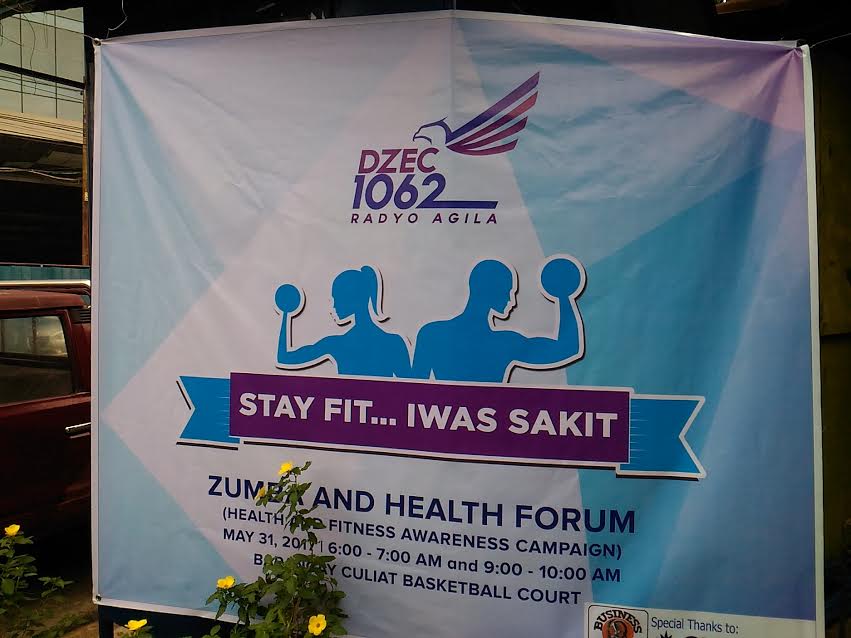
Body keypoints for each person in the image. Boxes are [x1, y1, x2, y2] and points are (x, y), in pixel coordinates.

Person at [411, 257, 585, 383]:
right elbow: (566, 349)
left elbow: (412, 386)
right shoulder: (503, 342)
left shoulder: (431, 333)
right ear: (490, 291)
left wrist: (564, 297)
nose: (512, 300)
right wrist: (564, 296)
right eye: (508, 291)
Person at [275, 266, 411, 378]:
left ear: (354, 300)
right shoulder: (394, 342)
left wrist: (286, 314)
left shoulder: (337, 344)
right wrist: (286, 314)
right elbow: (285, 359)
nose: (334, 306)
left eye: (337, 298)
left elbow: (412, 390)